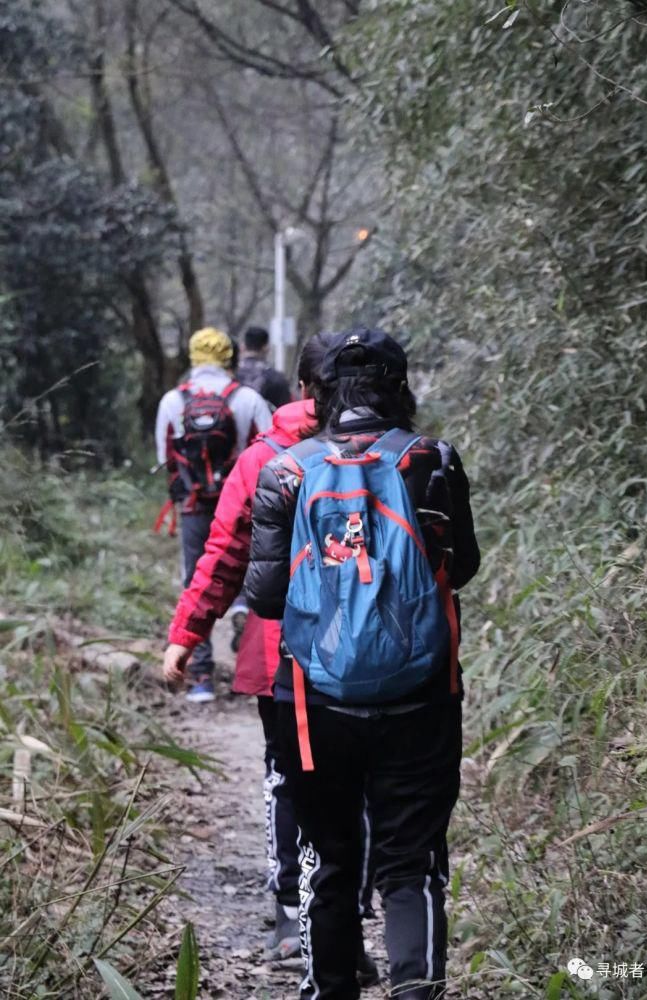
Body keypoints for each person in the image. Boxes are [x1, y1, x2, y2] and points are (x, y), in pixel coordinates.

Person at [244, 328, 480, 1000]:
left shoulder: (285, 471)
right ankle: (415, 990)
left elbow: (264, 598)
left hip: (314, 704)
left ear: (318, 393)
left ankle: (330, 990)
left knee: (329, 860)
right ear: (398, 388)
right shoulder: (433, 460)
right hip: (423, 695)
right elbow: (460, 566)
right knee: (412, 864)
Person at [161, 335, 378, 983]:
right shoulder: (396, 452)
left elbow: (223, 554)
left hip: (279, 648)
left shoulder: (265, 457)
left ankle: (294, 916)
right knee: (357, 787)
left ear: (304, 389)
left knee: (288, 778)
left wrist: (186, 634)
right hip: (369, 650)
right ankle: (338, 928)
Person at [155, 326, 271, 703]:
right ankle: (252, 663)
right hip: (242, 504)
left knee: (196, 580)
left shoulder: (173, 400)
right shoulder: (248, 399)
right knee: (251, 572)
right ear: (228, 357)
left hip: (193, 506)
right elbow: (271, 455)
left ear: (192, 357)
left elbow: (164, 458)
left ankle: (201, 676)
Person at [236, 326, 292, 410]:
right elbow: (285, 411)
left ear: (243, 347)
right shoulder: (276, 378)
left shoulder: (230, 375)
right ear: (266, 348)